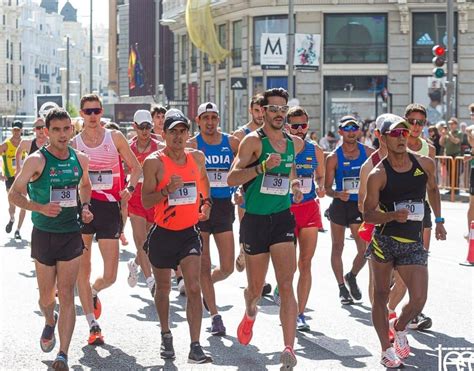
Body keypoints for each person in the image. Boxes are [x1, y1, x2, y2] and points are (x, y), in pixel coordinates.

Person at [8, 108, 93, 371]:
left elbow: (85, 186)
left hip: (70, 233)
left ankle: (63, 355)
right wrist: (40, 207)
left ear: (72, 129)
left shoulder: (80, 158)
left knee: (67, 294)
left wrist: (86, 207)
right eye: (56, 129)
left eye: (66, 129)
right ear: (46, 132)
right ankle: (49, 319)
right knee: (47, 297)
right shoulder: (37, 160)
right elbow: (14, 194)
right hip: (44, 234)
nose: (62, 134)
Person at [227, 88, 304, 369]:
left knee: (286, 284)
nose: (279, 114)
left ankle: (288, 348)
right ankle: (250, 313)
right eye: (273, 109)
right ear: (263, 111)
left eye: (283, 109)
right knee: (256, 289)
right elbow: (231, 178)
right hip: (255, 220)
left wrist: (294, 186)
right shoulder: (252, 142)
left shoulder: (293, 143)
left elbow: (290, 170)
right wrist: (260, 167)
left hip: (282, 218)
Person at [363, 114, 446, 368]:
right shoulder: (378, 173)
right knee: (380, 295)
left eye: (404, 132)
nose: (401, 137)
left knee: (419, 298)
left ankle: (398, 326)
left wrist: (440, 220)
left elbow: (432, 189)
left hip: (412, 242)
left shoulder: (425, 164)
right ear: (383, 137)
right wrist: (390, 215)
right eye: (395, 133)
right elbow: (367, 214)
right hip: (385, 241)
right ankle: (386, 349)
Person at [141, 110, 213, 364]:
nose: (178, 136)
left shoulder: (197, 158)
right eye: (173, 131)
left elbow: (203, 181)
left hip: (188, 233)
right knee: (163, 289)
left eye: (183, 131)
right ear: (164, 134)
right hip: (162, 234)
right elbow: (145, 200)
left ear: (188, 134)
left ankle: (195, 346)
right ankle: (165, 334)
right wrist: (165, 191)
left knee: (194, 287)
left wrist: (207, 203)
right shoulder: (154, 162)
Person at [71, 94, 141, 345]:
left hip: (110, 208)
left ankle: (93, 291)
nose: (92, 116)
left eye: (96, 111)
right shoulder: (75, 143)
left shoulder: (115, 138)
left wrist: (130, 190)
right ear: (81, 113)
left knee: (110, 274)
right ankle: (92, 324)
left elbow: (136, 169)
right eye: (88, 111)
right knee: (84, 266)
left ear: (101, 113)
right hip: (85, 208)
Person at [187, 102, 240, 336]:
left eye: (214, 117)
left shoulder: (232, 143)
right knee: (204, 265)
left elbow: (244, 167)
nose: (210, 122)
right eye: (205, 117)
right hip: (199, 207)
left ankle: (206, 290)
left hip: (223, 206)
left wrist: (240, 188)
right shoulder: (192, 145)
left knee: (228, 267)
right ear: (198, 120)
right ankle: (215, 315)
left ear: (219, 119)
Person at [274, 106, 325, 332]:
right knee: (289, 266)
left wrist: (322, 185)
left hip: (309, 209)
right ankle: (284, 295)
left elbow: (321, 175)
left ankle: (300, 313)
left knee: (305, 262)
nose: (300, 130)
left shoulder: (316, 150)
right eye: (295, 126)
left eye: (303, 125)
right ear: (286, 126)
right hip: (285, 209)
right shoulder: (281, 148)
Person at [325, 115, 374, 304]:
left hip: (359, 205)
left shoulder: (369, 153)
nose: (351, 132)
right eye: (347, 129)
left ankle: (351, 275)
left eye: (355, 128)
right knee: (337, 246)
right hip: (340, 205)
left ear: (360, 131)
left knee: (364, 249)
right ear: (341, 132)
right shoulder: (333, 158)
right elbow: (327, 188)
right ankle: (341, 288)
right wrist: (337, 194)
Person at [232, 95, 272, 297]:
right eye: (256, 110)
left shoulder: (272, 133)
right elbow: (234, 167)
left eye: (263, 110)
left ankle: (247, 256)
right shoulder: (242, 135)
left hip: (267, 191)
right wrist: (237, 189)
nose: (260, 114)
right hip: (246, 190)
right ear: (251, 110)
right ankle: (258, 278)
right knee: (248, 229)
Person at [126, 110, 163, 296]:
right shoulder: (128, 148)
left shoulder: (159, 147)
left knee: (149, 242)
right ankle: (150, 281)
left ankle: (134, 264)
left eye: (148, 127)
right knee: (140, 240)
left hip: (152, 198)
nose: (145, 131)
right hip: (135, 199)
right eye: (141, 127)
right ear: (134, 127)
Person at [0, 120, 27, 240]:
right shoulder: (6, 144)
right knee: (12, 204)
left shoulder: (25, 143)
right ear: (12, 130)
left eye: (18, 130)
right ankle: (12, 219)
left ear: (21, 130)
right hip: (10, 177)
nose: (16, 132)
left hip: (22, 176)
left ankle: (18, 230)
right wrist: (0, 173)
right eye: (14, 129)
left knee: (24, 203)